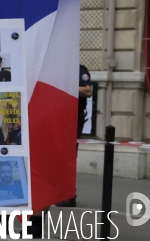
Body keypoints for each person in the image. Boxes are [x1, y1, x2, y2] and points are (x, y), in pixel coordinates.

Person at [56, 64, 92, 208]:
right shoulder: (57, 69)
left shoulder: (78, 69)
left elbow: (88, 91)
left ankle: (69, 195)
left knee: (68, 156)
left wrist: (66, 89)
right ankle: (60, 192)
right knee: (59, 157)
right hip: (59, 117)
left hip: (73, 118)